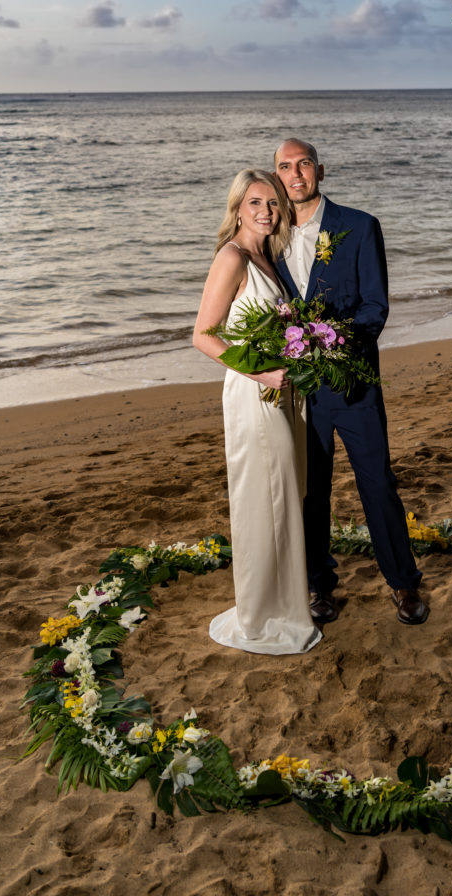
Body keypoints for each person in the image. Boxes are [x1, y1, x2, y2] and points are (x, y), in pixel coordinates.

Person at [273, 137, 428, 626]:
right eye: (285, 167)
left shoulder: (359, 227)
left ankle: (403, 582)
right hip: (299, 394)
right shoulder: (268, 234)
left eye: (303, 165)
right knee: (310, 492)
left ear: (320, 170)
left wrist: (335, 347)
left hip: (354, 386)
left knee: (377, 483)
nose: (295, 175)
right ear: (276, 177)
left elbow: (375, 307)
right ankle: (319, 586)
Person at [193, 168, 321, 655]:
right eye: (255, 204)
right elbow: (203, 335)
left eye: (272, 203)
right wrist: (263, 374)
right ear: (237, 209)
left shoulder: (266, 256)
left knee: (284, 493)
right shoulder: (231, 257)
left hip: (283, 393)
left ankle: (285, 603)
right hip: (255, 394)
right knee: (263, 497)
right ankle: (263, 613)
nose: (266, 212)